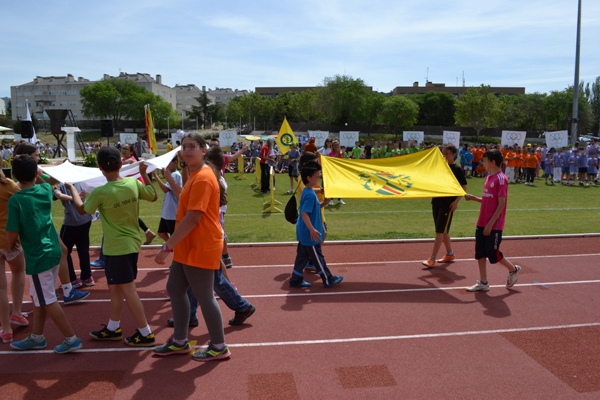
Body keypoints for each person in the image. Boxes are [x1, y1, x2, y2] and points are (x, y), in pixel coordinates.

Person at [68, 146, 158, 347]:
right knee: (115, 288)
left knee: (128, 289)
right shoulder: (133, 183)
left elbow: (83, 210)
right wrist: (144, 174)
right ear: (121, 164)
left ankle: (146, 333)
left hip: (118, 247)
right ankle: (112, 328)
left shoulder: (100, 192)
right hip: (130, 244)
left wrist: (73, 189)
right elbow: (153, 195)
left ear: (100, 167)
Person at [154, 133, 230, 361]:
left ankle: (218, 346)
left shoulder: (204, 177)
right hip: (188, 245)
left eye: (192, 147)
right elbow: (185, 202)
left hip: (200, 245)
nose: (186, 151)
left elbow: (194, 217)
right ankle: (180, 340)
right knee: (175, 289)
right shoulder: (195, 175)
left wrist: (167, 246)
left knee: (205, 295)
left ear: (204, 150)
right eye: (184, 147)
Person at [7, 155, 83, 353]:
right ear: (36, 173)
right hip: (53, 250)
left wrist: (10, 244)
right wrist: (38, 175)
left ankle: (71, 338)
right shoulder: (45, 189)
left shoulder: (16, 200)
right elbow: (47, 183)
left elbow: (12, 234)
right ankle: (37, 337)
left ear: (14, 175)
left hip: (37, 255)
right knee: (38, 296)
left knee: (47, 299)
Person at [13, 142, 89, 303]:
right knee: (33, 261)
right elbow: (51, 186)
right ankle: (45, 294)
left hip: (42, 222)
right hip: (31, 225)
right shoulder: (24, 180)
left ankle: (66, 290)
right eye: (37, 156)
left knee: (61, 250)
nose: (40, 158)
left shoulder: (35, 174)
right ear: (27, 157)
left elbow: (54, 185)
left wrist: (60, 169)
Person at [464, 149, 522, 292]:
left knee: (493, 253)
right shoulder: (488, 178)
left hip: (493, 224)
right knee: (480, 253)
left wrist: (490, 224)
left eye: (484, 160)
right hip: (482, 221)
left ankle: (513, 269)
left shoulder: (501, 179)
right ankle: (483, 282)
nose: (482, 163)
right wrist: (474, 198)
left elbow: (501, 204)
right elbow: (488, 200)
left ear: (493, 162)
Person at [289, 162, 343, 289]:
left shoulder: (308, 192)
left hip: (305, 232)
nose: (319, 178)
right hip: (309, 234)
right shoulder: (309, 195)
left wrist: (324, 203)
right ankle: (328, 279)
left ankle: (295, 279)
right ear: (309, 178)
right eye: (317, 176)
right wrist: (312, 230)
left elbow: (313, 208)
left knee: (302, 257)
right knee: (318, 257)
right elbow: (304, 214)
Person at [422, 145, 468, 268]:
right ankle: (450, 253)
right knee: (443, 230)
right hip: (436, 202)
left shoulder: (457, 169)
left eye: (447, 153)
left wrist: (456, 202)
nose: (444, 156)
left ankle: (432, 258)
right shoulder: (440, 168)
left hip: (448, 205)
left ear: (454, 154)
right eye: (443, 154)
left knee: (439, 231)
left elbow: (463, 188)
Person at [0, 169, 27, 344]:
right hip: (9, 239)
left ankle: (6, 329)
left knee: (0, 287)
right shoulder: (8, 185)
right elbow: (25, 200)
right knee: (18, 272)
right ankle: (16, 312)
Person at [54, 182, 95, 288]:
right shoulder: (78, 182)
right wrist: (76, 197)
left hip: (72, 222)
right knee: (83, 250)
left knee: (63, 251)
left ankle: (72, 279)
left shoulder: (60, 185)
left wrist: (74, 197)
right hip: (85, 219)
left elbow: (59, 195)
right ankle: (87, 277)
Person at [151, 156, 182, 242]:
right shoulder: (173, 174)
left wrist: (155, 175)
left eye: (169, 162)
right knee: (161, 232)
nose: (166, 165)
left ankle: (175, 248)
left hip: (172, 212)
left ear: (175, 162)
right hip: (167, 212)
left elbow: (165, 189)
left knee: (174, 235)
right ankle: (172, 247)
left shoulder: (175, 174)